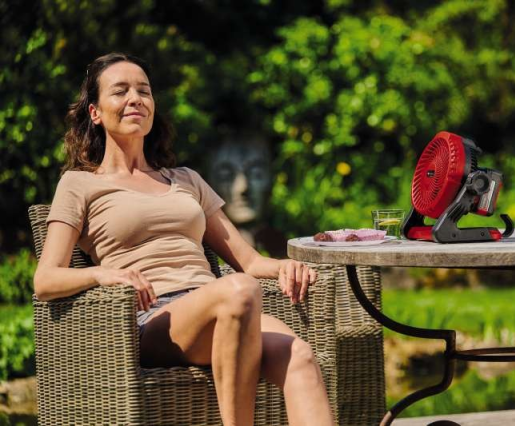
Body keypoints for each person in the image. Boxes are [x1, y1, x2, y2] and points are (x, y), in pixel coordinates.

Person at [33, 52, 334, 426]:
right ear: (95, 112)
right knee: (239, 290)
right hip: (152, 317)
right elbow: (45, 280)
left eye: (144, 91)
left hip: (224, 306)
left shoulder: (186, 179)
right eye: (120, 91)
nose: (135, 99)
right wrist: (102, 274)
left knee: (299, 356)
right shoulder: (80, 184)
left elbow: (249, 261)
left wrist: (284, 266)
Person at [207, 136, 288, 257]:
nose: (242, 187)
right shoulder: (202, 250)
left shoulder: (285, 248)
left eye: (256, 174)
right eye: (226, 176)